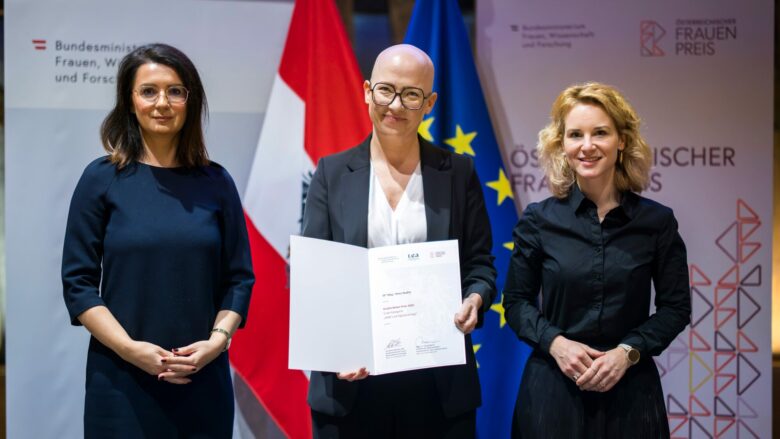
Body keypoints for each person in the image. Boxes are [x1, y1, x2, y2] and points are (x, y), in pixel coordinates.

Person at [302, 44, 496, 438]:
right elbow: (315, 276)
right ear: (367, 90)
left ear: (430, 103)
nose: (395, 104)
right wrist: (338, 349)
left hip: (436, 382)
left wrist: (475, 299)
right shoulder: (331, 172)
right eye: (386, 90)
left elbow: (480, 265)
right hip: (351, 381)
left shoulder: (458, 173)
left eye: (411, 94)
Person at [61, 43, 254, 438]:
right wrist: (133, 351)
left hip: (201, 381)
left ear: (190, 101)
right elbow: (78, 285)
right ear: (129, 102)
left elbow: (239, 279)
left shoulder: (217, 183)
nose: (162, 102)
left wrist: (215, 345)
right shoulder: (100, 179)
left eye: (175, 91)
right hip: (120, 383)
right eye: (148, 91)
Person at [503, 82, 691, 438]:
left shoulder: (657, 222)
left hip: (631, 394)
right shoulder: (538, 220)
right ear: (562, 145)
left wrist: (628, 352)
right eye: (576, 135)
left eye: (600, 133)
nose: (587, 146)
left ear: (621, 141)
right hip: (553, 391)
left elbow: (676, 308)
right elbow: (515, 302)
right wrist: (556, 344)